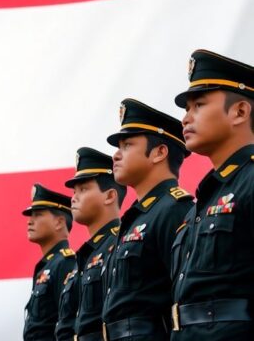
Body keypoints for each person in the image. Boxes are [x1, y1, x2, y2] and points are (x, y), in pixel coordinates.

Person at [170, 49, 254, 340]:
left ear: (240, 111)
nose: (185, 118)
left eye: (198, 105)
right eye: (186, 108)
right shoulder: (202, 202)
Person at [102, 98, 194, 340]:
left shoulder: (174, 209)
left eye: (127, 145)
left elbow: (182, 295)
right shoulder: (135, 217)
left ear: (159, 153)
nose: (116, 156)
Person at [59, 147, 126, 341]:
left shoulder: (118, 245)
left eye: (84, 189)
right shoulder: (84, 255)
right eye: (74, 191)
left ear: (110, 196)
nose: (74, 197)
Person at [22, 183, 76, 341]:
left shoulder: (65, 263)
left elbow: (67, 323)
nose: (29, 221)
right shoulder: (47, 266)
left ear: (59, 222)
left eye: (38, 215)